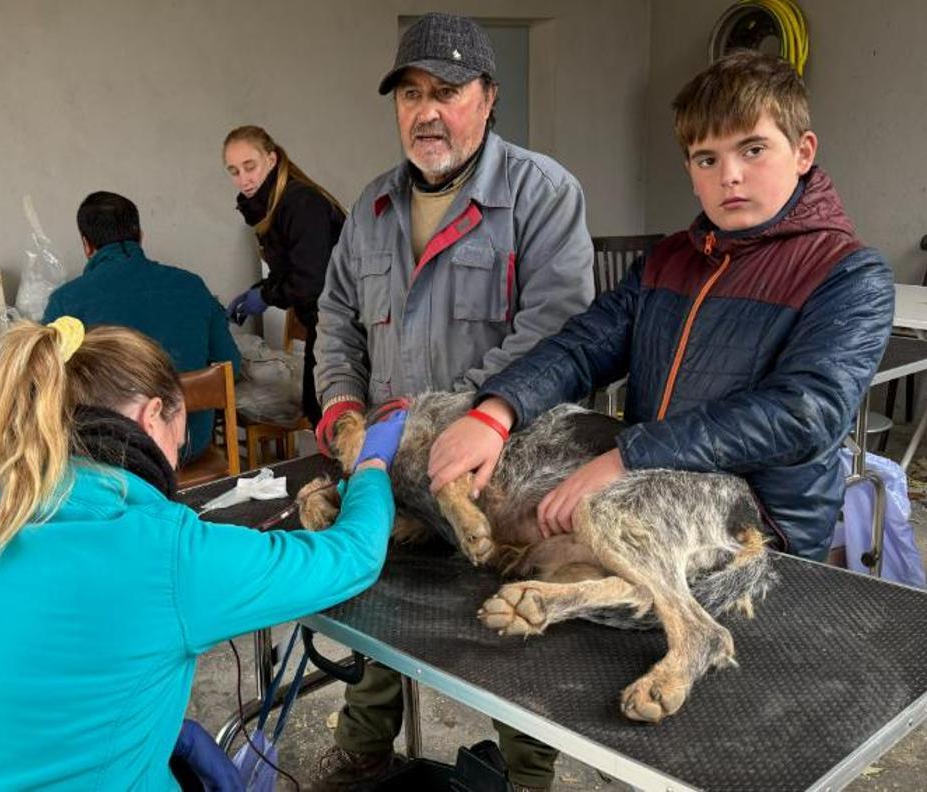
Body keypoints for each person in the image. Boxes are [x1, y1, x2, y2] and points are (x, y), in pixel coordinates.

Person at [428, 51, 893, 573]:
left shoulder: (849, 274)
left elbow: (802, 413)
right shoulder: (668, 261)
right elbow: (584, 346)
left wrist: (629, 457)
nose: (730, 177)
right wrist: (496, 412)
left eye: (754, 149)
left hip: (760, 535)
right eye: (707, 159)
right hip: (650, 498)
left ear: (803, 152)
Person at [0, 317, 407, 791]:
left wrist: (164, 735)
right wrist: (372, 465)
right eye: (178, 441)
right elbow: (353, 556)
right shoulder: (165, 554)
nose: (176, 460)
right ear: (151, 415)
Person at [311, 12, 594, 792]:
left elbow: (556, 333)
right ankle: (365, 744)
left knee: (513, 629)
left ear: (488, 96)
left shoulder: (541, 195)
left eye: (448, 90)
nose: (426, 111)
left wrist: (457, 421)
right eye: (409, 93)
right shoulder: (372, 208)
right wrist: (341, 409)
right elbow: (335, 320)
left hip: (503, 472)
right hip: (391, 467)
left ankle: (527, 775)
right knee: (372, 602)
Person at [43, 191, 240, 462]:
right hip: (189, 447)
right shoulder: (191, 286)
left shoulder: (66, 302)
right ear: (141, 236)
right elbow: (232, 366)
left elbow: (46, 392)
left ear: (86, 245)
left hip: (114, 459)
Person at [223, 125, 347, 425]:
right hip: (325, 322)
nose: (244, 179)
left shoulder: (301, 202)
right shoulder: (272, 207)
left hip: (346, 327)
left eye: (249, 167)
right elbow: (293, 268)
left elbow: (310, 280)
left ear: (272, 158)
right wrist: (262, 288)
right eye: (234, 171)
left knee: (329, 414)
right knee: (318, 410)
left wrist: (265, 296)